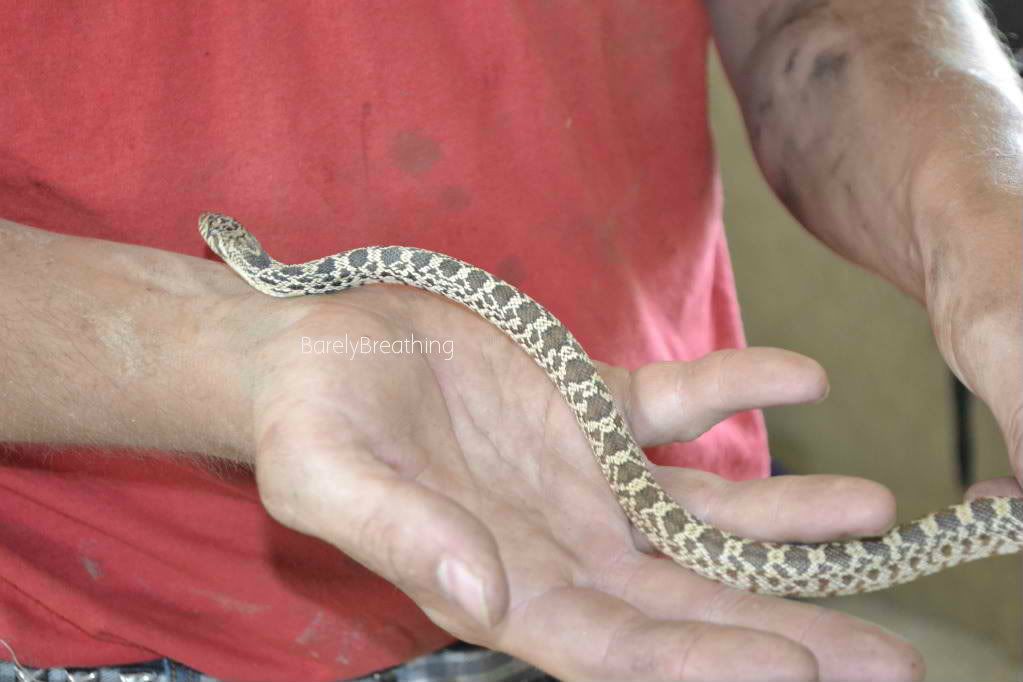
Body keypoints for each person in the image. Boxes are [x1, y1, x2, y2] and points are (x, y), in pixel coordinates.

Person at [0, 1, 1019, 681]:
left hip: (671, 517)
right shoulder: (290, 289)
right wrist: (233, 351)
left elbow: (815, 20)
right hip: (133, 622)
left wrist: (989, 223)